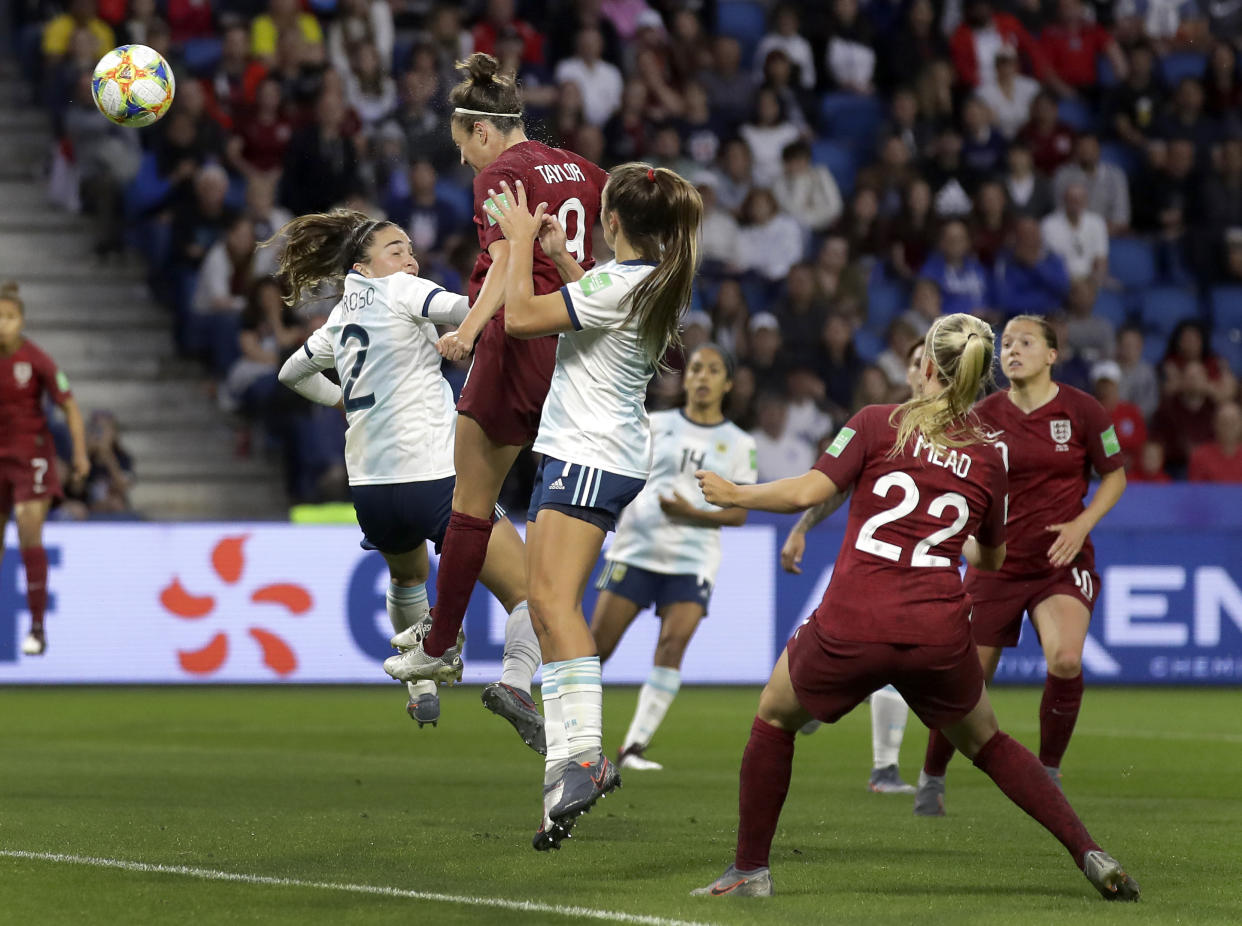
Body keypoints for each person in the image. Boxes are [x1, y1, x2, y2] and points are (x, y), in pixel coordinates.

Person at [691, 314, 1139, 902]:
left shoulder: (878, 423)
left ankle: (750, 871)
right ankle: (1090, 851)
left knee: (775, 716)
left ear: (926, 365)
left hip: (855, 620)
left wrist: (736, 493)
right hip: (937, 632)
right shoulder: (989, 456)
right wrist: (947, 536)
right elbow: (992, 558)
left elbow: (808, 491)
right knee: (990, 742)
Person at [470, 166, 702, 851]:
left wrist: (515, 246)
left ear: (612, 223)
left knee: (555, 605)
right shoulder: (649, 282)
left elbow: (518, 320)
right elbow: (596, 304)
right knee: (545, 608)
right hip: (593, 452)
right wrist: (563, 258)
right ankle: (560, 788)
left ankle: (588, 757)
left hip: (588, 456)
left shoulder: (615, 285)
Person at [272, 212, 544, 750]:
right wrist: (514, 263)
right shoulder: (401, 290)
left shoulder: (335, 322)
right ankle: (515, 681)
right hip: (435, 480)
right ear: (364, 267)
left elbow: (289, 374)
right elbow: (475, 309)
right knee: (532, 594)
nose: (410, 260)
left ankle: (421, 685)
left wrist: (343, 402)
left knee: (407, 578)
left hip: (372, 493)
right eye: (396, 250)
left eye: (410, 251)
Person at [418, 53, 608, 677]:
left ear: (481, 130)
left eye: (462, 147)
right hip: (576, 354)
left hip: (516, 344)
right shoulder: (585, 170)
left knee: (470, 500)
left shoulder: (499, 172)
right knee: (554, 516)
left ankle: (439, 644)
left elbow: (504, 261)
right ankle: (541, 674)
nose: (465, 161)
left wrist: (469, 332)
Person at [917, 315, 1127, 815]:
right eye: (1005, 344)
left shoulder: (1083, 411)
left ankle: (1048, 772)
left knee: (1066, 660)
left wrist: (1081, 525)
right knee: (967, 682)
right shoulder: (982, 416)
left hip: (1060, 560)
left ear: (1052, 355)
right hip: (997, 567)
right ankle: (932, 776)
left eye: (1025, 342)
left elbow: (1115, 475)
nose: (1012, 350)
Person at [590, 343, 758, 771]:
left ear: (728, 383)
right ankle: (572, 735)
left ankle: (634, 748)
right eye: (697, 369)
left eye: (713, 370)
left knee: (672, 645)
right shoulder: (653, 423)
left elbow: (738, 513)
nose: (702, 377)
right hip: (637, 548)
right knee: (595, 648)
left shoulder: (740, 443)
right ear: (685, 379)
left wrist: (690, 513)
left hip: (692, 559)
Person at [781, 339, 931, 795]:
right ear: (905, 374)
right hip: (871, 571)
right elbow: (834, 487)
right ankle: (809, 707)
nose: (926, 371)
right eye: (916, 362)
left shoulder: (964, 436)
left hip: (927, 573)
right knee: (881, 664)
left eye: (934, 362)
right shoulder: (882, 426)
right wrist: (801, 527)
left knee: (895, 666)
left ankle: (882, 765)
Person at [0, 281, 90, 655]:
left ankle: (37, 628)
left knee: (27, 533)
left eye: (9, 317)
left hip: (31, 458)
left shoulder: (37, 360)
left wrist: (81, 454)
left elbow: (69, 405)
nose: (2, 324)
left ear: (22, 321)